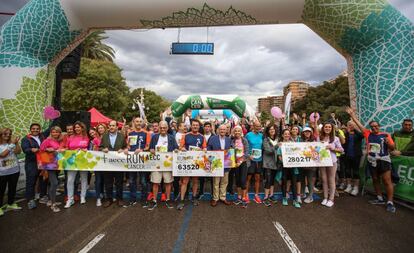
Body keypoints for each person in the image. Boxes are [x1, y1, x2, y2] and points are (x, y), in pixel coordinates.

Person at [346, 107, 396, 213]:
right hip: (372, 160)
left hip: (383, 160)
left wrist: (389, 143)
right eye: (372, 126)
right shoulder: (367, 133)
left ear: (379, 126)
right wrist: (352, 115)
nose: (374, 128)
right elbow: (359, 124)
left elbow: (392, 148)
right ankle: (379, 198)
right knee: (375, 179)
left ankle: (390, 202)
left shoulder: (385, 135)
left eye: (376, 126)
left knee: (387, 181)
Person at [147, 121, 178, 210]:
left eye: (164, 128)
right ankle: (154, 200)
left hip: (168, 164)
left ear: (167, 128)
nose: (163, 129)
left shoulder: (171, 138)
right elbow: (151, 149)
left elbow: (176, 147)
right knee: (155, 182)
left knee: (168, 182)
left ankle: (168, 199)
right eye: (161, 128)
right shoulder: (154, 137)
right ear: (159, 128)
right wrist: (151, 150)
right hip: (156, 164)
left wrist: (176, 150)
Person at [177, 119, 206, 210]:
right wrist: (182, 149)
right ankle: (181, 200)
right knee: (185, 181)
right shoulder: (185, 135)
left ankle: (194, 198)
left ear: (199, 126)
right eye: (193, 125)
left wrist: (204, 149)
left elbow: (204, 147)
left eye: (197, 125)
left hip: (197, 162)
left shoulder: (202, 137)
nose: (195, 126)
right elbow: (180, 147)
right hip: (187, 161)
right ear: (191, 126)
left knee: (195, 181)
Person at [21, 123, 50, 209]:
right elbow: (25, 149)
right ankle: (30, 200)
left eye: (37, 129)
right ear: (30, 129)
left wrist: (55, 115)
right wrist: (31, 149)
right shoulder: (26, 139)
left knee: (44, 180)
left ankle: (42, 196)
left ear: (40, 129)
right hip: (32, 163)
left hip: (43, 162)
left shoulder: (42, 136)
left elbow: (50, 128)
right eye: (33, 129)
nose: (35, 130)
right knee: (31, 181)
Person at [100, 120, 128, 207]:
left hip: (118, 164)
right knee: (108, 182)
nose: (111, 127)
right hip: (108, 164)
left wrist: (123, 150)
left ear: (116, 127)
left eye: (113, 126)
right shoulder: (104, 136)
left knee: (119, 182)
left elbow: (125, 147)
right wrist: (103, 149)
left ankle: (119, 199)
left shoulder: (121, 136)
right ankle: (109, 199)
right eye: (110, 126)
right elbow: (100, 147)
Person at [125, 117, 151, 208]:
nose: (139, 123)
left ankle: (144, 200)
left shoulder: (146, 133)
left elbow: (148, 146)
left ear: (142, 123)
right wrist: (126, 149)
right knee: (132, 180)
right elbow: (128, 145)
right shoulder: (130, 133)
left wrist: (142, 149)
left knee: (143, 181)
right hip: (132, 160)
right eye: (137, 121)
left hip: (142, 160)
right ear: (134, 122)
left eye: (140, 121)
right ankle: (133, 199)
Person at [64, 121, 90, 208]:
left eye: (78, 127)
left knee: (84, 179)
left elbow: (89, 148)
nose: (76, 129)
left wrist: (85, 150)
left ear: (82, 128)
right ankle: (70, 199)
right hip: (72, 161)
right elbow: (66, 148)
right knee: (70, 180)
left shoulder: (86, 137)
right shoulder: (70, 137)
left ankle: (83, 196)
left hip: (83, 161)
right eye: (75, 127)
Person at [318, 122, 344, 208]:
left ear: (331, 129)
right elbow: (315, 148)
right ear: (323, 128)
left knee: (331, 179)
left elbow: (341, 150)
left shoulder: (335, 138)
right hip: (322, 161)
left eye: (329, 127)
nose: (327, 128)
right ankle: (325, 197)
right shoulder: (319, 138)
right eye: (326, 127)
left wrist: (333, 148)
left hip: (332, 161)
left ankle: (331, 199)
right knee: (324, 179)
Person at [39, 126, 64, 212]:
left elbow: (58, 152)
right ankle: (53, 205)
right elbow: (41, 151)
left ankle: (51, 200)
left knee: (51, 184)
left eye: (57, 132)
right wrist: (47, 149)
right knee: (55, 183)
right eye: (53, 132)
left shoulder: (58, 141)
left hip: (57, 165)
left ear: (60, 133)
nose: (55, 134)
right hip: (49, 166)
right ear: (51, 133)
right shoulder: (47, 140)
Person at [208, 124, 232, 207]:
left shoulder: (229, 139)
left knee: (224, 182)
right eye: (221, 129)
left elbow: (231, 150)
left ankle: (223, 197)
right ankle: (215, 198)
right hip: (216, 163)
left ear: (226, 131)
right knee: (216, 182)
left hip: (226, 164)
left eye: (224, 130)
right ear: (218, 130)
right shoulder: (212, 138)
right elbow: (208, 149)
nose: (222, 131)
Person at [0, 128, 22, 216]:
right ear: (1, 134)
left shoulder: (11, 144)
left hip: (14, 170)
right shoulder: (7, 145)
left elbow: (18, 152)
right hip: (2, 172)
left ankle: (10, 203)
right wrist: (12, 144)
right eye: (5, 134)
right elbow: (2, 155)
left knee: (12, 188)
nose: (8, 135)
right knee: (1, 190)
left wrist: (16, 143)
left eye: (9, 134)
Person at [277, 129, 301, 208]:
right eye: (285, 134)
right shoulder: (281, 145)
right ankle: (284, 198)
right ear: (283, 135)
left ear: (289, 135)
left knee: (294, 183)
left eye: (288, 134)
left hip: (293, 167)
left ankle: (295, 200)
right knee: (284, 182)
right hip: (284, 167)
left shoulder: (293, 144)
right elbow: (279, 156)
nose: (287, 135)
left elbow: (298, 153)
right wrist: (284, 162)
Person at [342, 121, 364, 196]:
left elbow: (362, 136)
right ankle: (349, 185)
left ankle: (356, 187)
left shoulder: (358, 134)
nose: (351, 126)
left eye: (352, 125)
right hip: (347, 155)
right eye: (349, 125)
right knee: (347, 170)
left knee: (355, 171)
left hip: (356, 155)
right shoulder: (346, 134)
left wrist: (355, 129)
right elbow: (343, 142)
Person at [231, 126, 250, 208]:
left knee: (243, 180)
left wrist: (241, 161)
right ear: (234, 132)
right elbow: (230, 152)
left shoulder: (244, 140)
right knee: (238, 180)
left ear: (241, 132)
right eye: (236, 131)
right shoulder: (232, 140)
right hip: (235, 163)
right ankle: (239, 197)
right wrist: (235, 161)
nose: (237, 132)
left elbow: (246, 152)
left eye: (239, 131)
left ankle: (244, 197)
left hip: (243, 163)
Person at [245, 120, 263, 204]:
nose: (258, 128)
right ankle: (246, 194)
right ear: (253, 126)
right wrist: (248, 155)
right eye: (256, 126)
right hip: (251, 159)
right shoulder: (248, 135)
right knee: (248, 178)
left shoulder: (261, 135)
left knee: (257, 178)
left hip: (259, 160)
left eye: (259, 126)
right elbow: (245, 146)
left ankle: (256, 195)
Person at [262, 124, 280, 207]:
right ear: (268, 131)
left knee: (272, 180)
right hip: (268, 163)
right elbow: (268, 151)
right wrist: (277, 146)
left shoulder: (278, 139)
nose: (272, 130)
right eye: (270, 129)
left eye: (273, 129)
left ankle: (271, 195)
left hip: (276, 163)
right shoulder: (265, 139)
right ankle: (265, 197)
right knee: (268, 180)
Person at [301, 127, 318, 203]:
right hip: (302, 163)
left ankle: (310, 196)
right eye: (305, 132)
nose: (307, 133)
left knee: (310, 180)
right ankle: (303, 193)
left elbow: (317, 151)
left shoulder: (315, 141)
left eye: (308, 131)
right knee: (302, 179)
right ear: (303, 133)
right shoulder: (301, 141)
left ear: (311, 133)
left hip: (311, 164)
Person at [92, 124, 107, 207]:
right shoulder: (95, 139)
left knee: (106, 180)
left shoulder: (108, 138)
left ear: (105, 129)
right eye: (99, 128)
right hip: (98, 162)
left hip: (107, 162)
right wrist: (95, 148)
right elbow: (93, 150)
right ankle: (98, 198)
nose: (100, 129)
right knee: (98, 180)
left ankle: (104, 194)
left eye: (102, 128)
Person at [199, 121, 214, 199]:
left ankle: (212, 192)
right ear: (203, 127)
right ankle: (201, 191)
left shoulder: (214, 136)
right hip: (202, 158)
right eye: (206, 126)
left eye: (208, 126)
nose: (207, 128)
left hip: (211, 158)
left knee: (211, 175)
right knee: (201, 176)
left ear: (211, 128)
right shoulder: (200, 136)